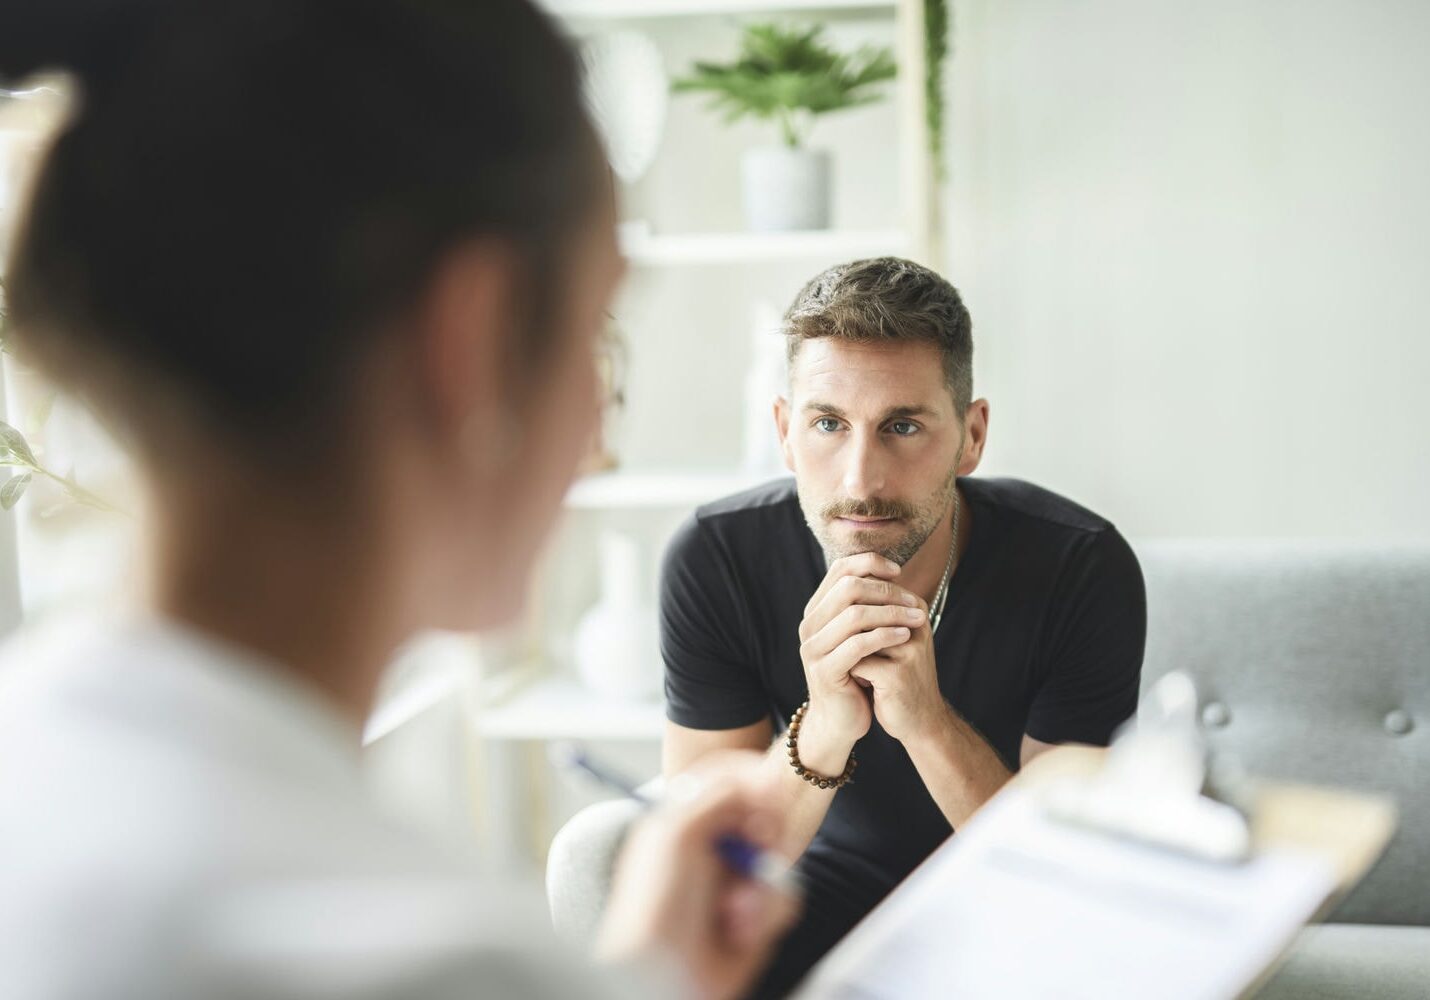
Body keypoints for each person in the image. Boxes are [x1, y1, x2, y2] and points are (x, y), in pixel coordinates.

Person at [0, 2, 795, 998]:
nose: (598, 420)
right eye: (598, 328)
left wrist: (651, 973)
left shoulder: (31, 748)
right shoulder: (425, 956)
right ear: (471, 338)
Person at [660, 256, 1148, 997]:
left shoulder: (1081, 567)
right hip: (813, 886)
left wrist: (925, 721)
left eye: (903, 426)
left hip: (1011, 899)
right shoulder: (716, 558)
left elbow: (1063, 871)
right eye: (828, 424)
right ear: (786, 433)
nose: (861, 480)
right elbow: (713, 865)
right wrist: (824, 725)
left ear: (971, 435)